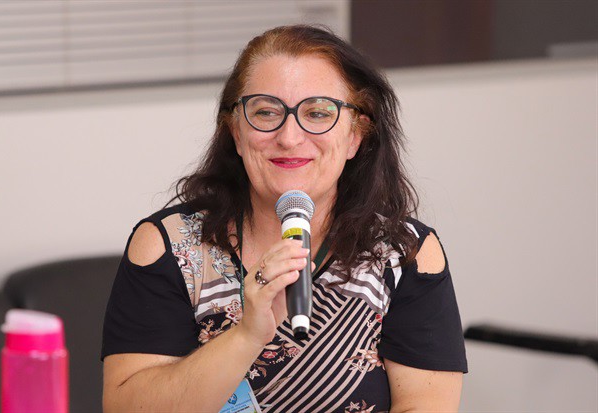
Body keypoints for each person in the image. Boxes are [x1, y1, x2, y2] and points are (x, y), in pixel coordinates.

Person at [102, 25, 467, 413]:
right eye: (266, 112)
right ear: (236, 133)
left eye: (317, 113)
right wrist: (246, 336)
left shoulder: (404, 253)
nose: (289, 137)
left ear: (355, 136)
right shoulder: (170, 245)